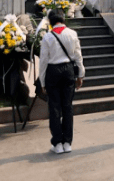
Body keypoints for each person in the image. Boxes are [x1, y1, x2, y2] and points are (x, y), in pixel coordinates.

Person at [39, 9, 85, 154]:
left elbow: (43, 61)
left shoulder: (47, 37)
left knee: (54, 107)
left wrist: (42, 81)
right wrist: (81, 74)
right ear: (63, 19)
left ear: (50, 22)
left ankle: (57, 143)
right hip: (68, 70)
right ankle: (67, 143)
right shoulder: (72, 34)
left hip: (53, 71)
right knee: (67, 106)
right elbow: (78, 56)